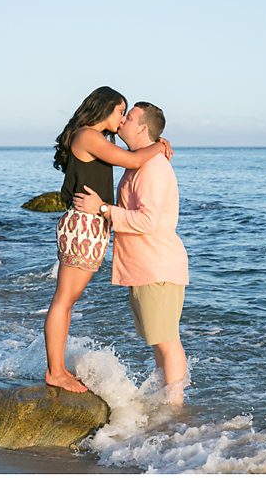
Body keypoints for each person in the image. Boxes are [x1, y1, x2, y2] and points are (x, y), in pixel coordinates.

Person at [42, 86, 170, 393]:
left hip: (91, 225)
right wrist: (160, 145)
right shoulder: (88, 135)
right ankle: (55, 372)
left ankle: (57, 368)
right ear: (105, 107)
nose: (122, 117)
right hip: (83, 225)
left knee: (67, 299)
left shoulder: (92, 137)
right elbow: (132, 160)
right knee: (64, 299)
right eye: (120, 110)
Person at [71, 101, 190, 406]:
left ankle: (174, 407)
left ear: (143, 128)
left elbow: (147, 221)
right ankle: (166, 401)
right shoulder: (141, 163)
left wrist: (101, 208)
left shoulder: (153, 168)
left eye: (130, 117)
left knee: (167, 342)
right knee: (159, 341)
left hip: (158, 266)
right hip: (146, 266)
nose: (122, 121)